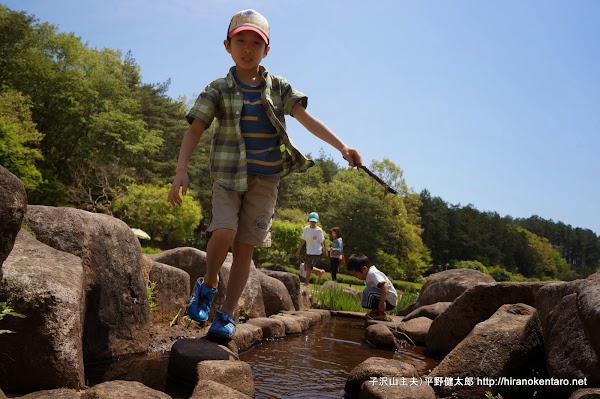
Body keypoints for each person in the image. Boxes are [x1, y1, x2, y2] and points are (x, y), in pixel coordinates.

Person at [167, 9, 362, 340]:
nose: (247, 48)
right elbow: (195, 130)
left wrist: (342, 147)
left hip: (265, 178)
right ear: (227, 45)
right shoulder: (217, 89)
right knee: (224, 231)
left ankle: (226, 314)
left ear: (266, 50)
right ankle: (209, 281)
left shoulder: (279, 88)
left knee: (245, 248)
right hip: (228, 175)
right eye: (240, 41)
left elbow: (307, 119)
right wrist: (181, 170)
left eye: (255, 43)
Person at [346, 254, 398, 320]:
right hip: (386, 298)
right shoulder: (370, 274)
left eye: (356, 275)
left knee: (368, 291)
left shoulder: (372, 273)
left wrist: (382, 302)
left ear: (364, 269)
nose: (356, 277)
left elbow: (384, 285)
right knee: (367, 292)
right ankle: (376, 312)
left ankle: (380, 313)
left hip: (389, 300)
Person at [295, 212, 328, 286]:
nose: (313, 223)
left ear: (317, 221)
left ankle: (306, 284)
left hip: (316, 252)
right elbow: (303, 240)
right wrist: (298, 250)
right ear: (309, 220)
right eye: (311, 221)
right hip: (309, 251)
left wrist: (325, 250)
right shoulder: (306, 229)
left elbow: (323, 240)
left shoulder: (319, 230)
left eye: (314, 222)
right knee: (306, 267)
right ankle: (319, 271)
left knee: (309, 266)